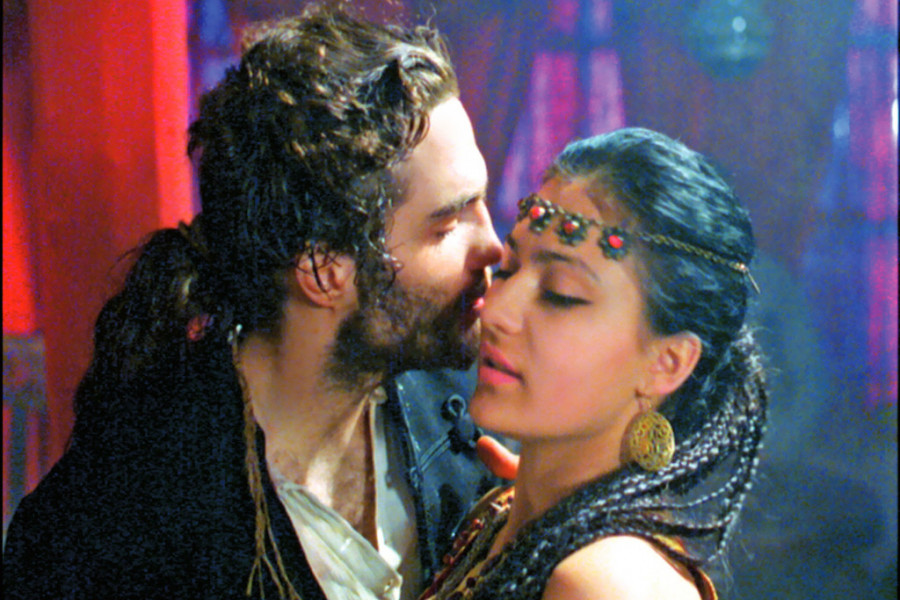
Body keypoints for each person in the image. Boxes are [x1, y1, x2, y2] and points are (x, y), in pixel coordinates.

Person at [3, 6, 506, 599]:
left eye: (482, 203)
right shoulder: (120, 524)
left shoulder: (477, 419)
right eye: (446, 226)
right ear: (323, 270)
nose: (493, 245)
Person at [420, 128, 768, 600]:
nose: (497, 310)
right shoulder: (505, 513)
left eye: (560, 294)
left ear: (667, 363)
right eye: (508, 269)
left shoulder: (604, 583)